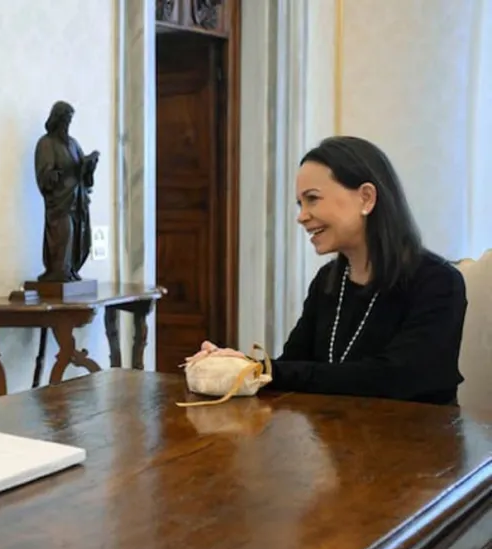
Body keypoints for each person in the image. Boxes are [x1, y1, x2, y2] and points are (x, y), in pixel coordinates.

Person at [193, 135, 467, 405]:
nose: (301, 216)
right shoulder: (328, 281)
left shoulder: (438, 282)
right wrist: (233, 368)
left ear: (366, 198)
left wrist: (263, 371)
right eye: (300, 204)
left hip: (418, 443)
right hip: (335, 441)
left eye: (312, 199)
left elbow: (393, 378)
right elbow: (293, 366)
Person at [34, 100, 100, 282]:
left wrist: (89, 166)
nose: (67, 125)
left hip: (77, 200)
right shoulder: (46, 143)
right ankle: (58, 271)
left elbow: (82, 172)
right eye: (64, 120)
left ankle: (70, 270)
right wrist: (56, 176)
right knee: (64, 234)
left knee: (80, 238)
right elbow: (44, 175)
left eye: (69, 121)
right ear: (56, 119)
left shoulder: (73, 144)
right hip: (60, 203)